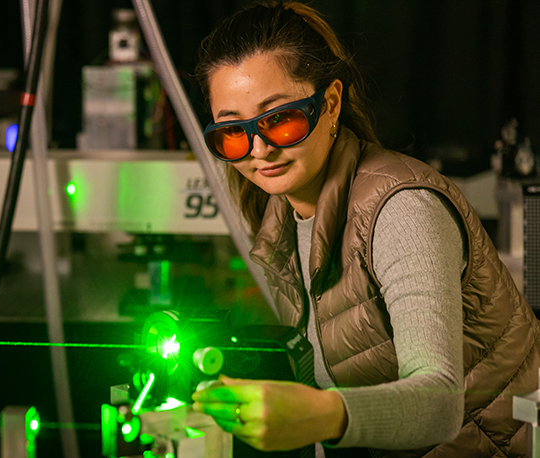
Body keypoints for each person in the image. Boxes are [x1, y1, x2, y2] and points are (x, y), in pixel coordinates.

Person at [188, 2, 540, 456]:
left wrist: (318, 413)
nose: (259, 149)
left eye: (280, 119)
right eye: (233, 133)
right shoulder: (281, 222)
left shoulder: (402, 208)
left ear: (330, 103)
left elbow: (440, 402)